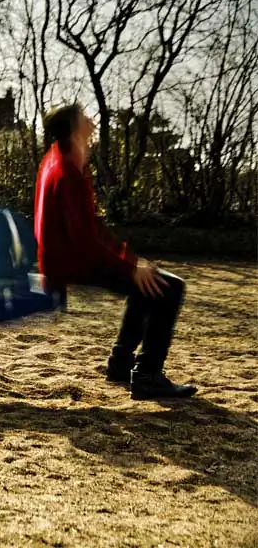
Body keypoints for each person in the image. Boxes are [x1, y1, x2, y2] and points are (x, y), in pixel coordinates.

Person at [33, 103, 197, 400]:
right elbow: (84, 239)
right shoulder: (66, 170)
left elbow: (92, 227)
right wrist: (131, 268)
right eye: (85, 117)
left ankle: (121, 363)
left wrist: (132, 262)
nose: (91, 120)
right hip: (70, 260)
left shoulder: (61, 159)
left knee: (147, 283)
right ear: (74, 128)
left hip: (66, 257)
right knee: (169, 287)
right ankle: (147, 375)